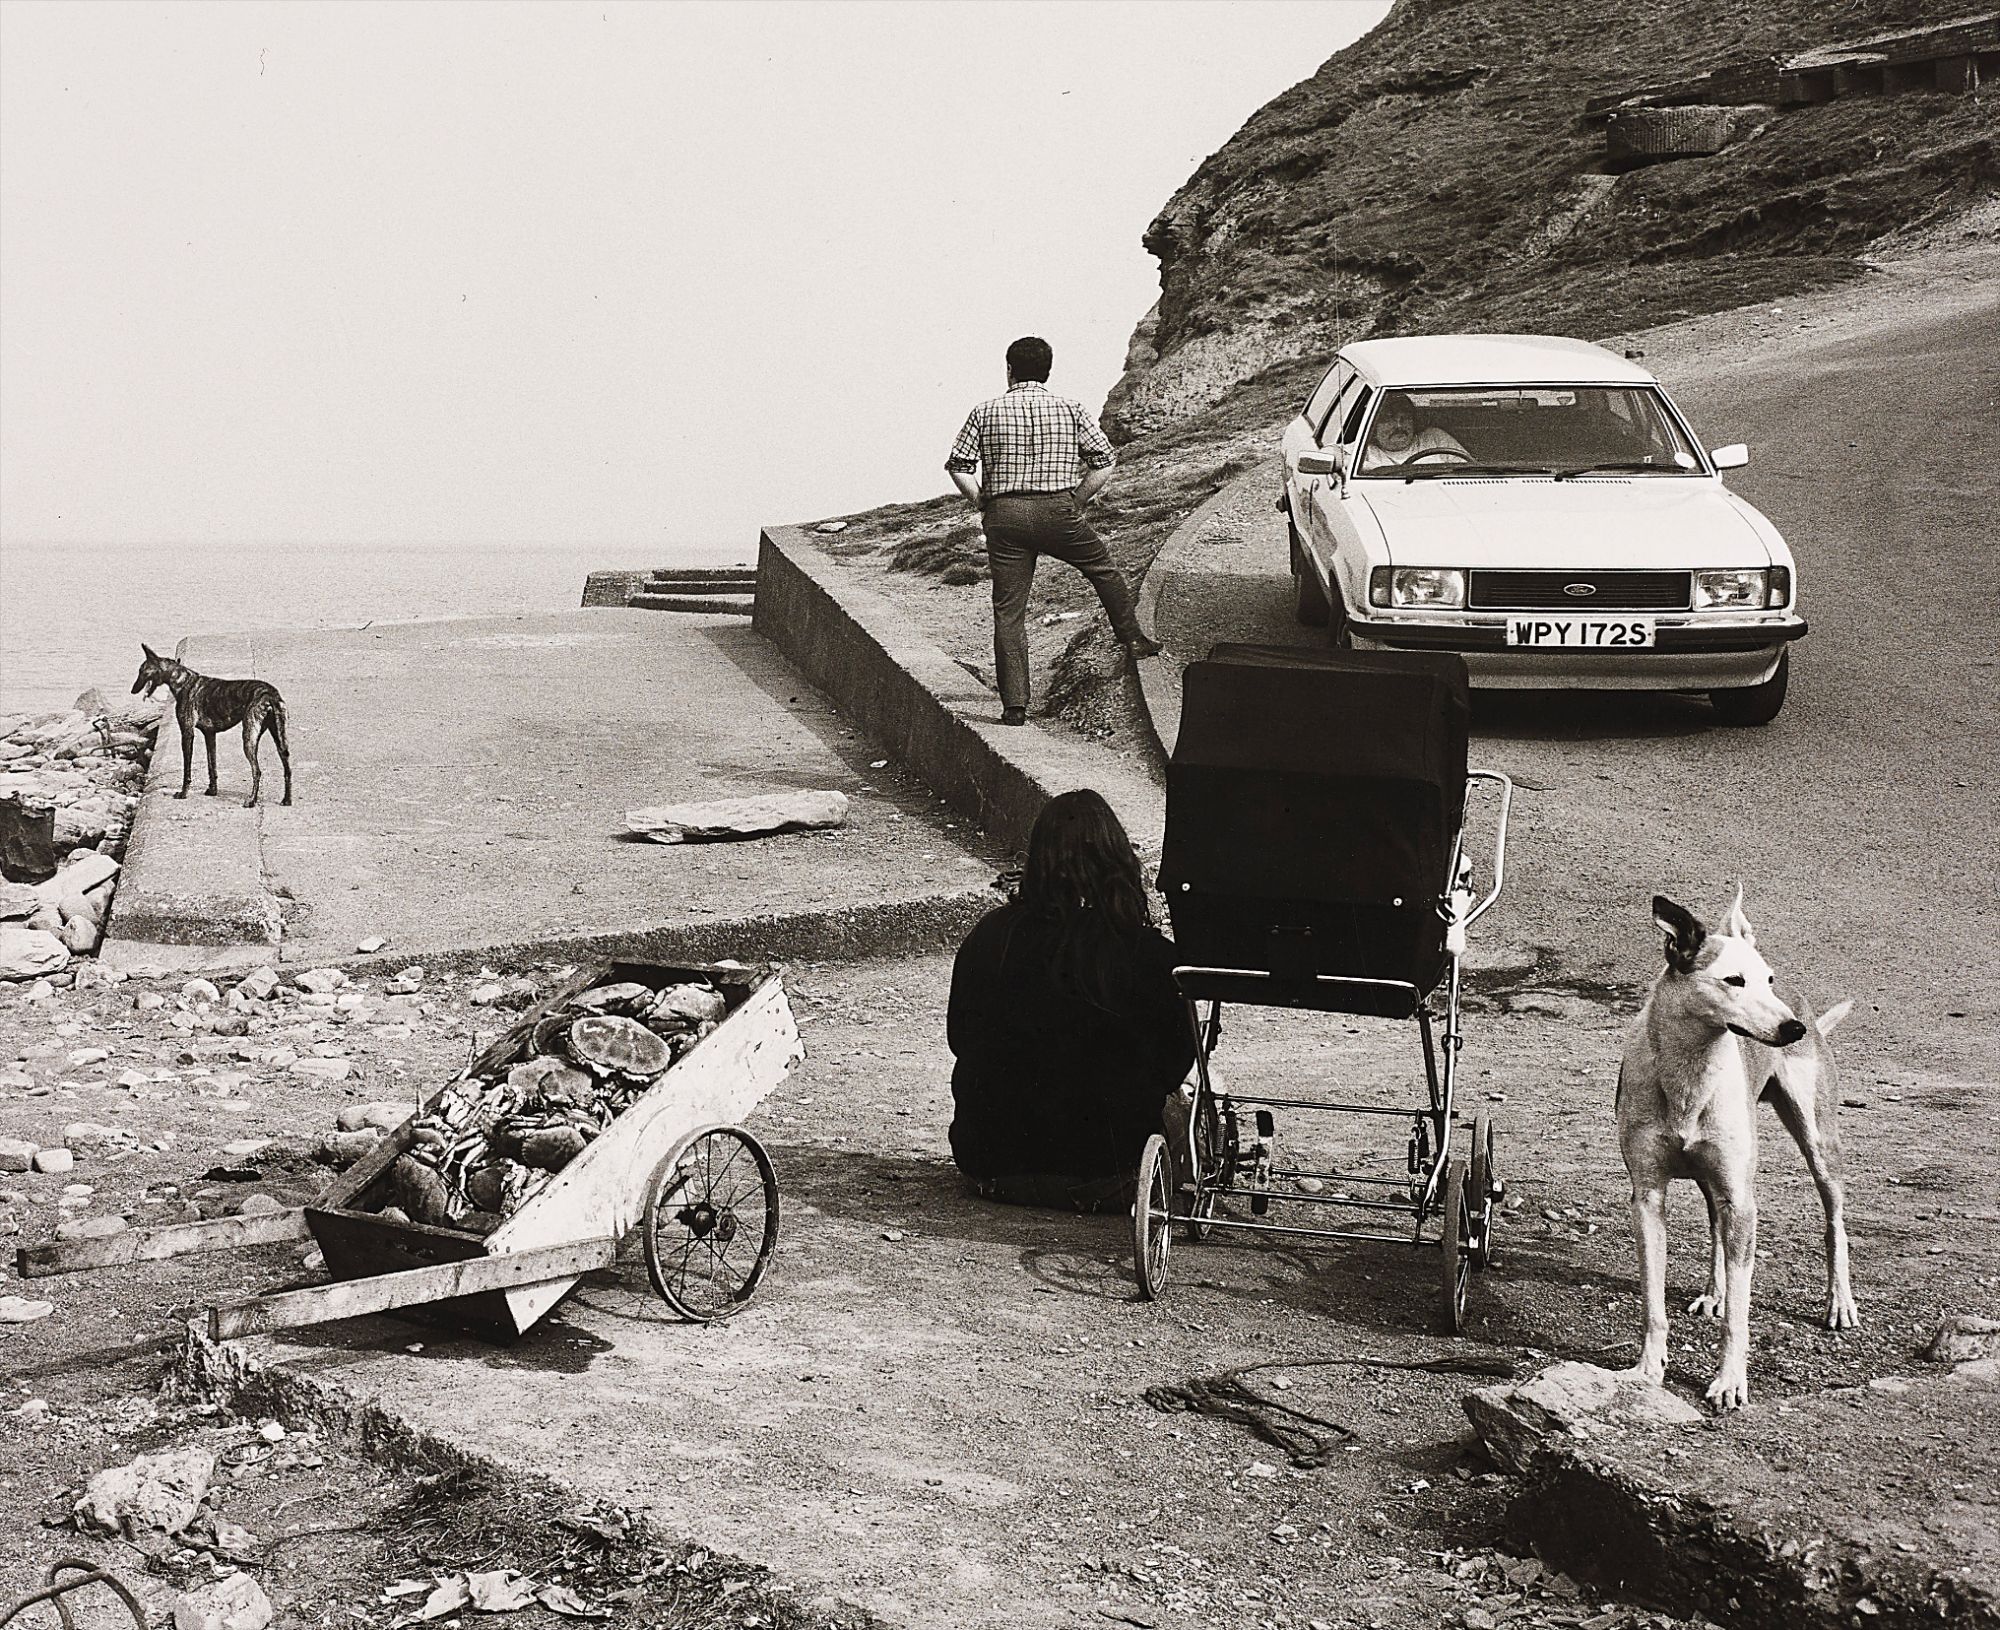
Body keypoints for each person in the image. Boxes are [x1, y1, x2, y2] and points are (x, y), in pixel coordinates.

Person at [947, 789, 1195, 1211]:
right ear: (1117, 860)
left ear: (1037, 859)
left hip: (992, 1167)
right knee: (1187, 1114)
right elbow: (1172, 1066)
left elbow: (961, 1039)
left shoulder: (990, 935)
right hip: (1106, 1175)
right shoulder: (1150, 954)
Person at [946, 336, 1161, 727]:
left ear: (1009, 369)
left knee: (1009, 610)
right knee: (1103, 569)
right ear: (1048, 370)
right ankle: (1132, 638)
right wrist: (1077, 501)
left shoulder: (985, 411)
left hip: (1004, 517)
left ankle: (1014, 705)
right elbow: (1104, 461)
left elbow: (958, 465)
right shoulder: (1071, 408)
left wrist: (982, 501)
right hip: (1058, 511)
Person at [1359, 392, 1470, 472]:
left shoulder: (1434, 437)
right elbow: (1342, 460)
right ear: (1374, 425)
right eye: (1389, 420)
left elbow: (1468, 468)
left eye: (1405, 418)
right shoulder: (1365, 449)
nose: (1399, 426)